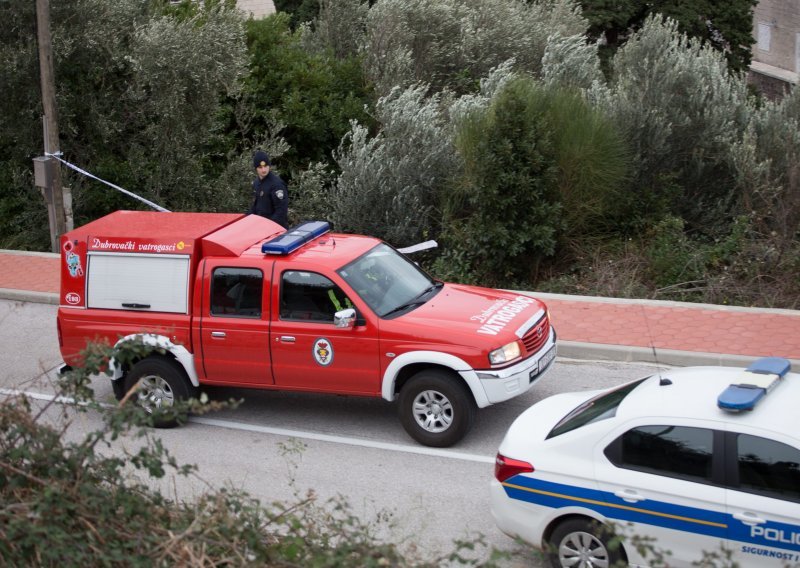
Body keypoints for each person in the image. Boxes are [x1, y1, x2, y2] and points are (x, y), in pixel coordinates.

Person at [248, 150, 288, 228]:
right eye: (260, 167)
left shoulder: (276, 184)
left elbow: (281, 211)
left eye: (266, 166)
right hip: (261, 227)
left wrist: (267, 226)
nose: (264, 170)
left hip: (276, 229)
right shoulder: (256, 183)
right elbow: (255, 207)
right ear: (256, 168)